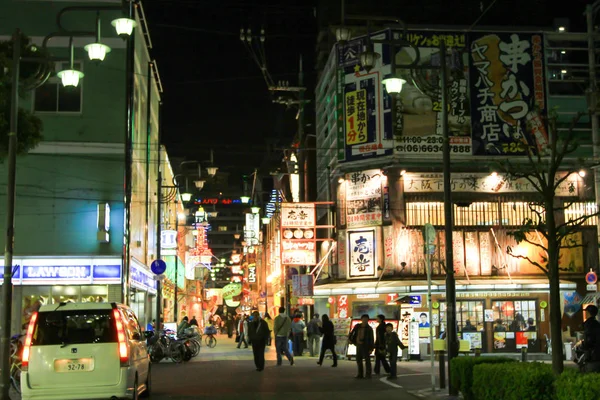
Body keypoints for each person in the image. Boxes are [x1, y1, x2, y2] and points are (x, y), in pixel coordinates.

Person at [349, 314, 374, 379]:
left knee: (367, 360)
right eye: (363, 319)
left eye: (366, 319)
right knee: (358, 359)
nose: (364, 320)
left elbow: (371, 338)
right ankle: (360, 374)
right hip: (358, 344)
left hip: (366, 345)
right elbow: (352, 333)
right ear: (361, 319)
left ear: (368, 320)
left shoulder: (369, 329)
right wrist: (351, 339)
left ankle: (368, 374)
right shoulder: (357, 326)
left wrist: (371, 348)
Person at [582, 304, 600, 372]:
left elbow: (589, 339)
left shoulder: (588, 324)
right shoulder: (597, 324)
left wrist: (583, 344)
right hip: (597, 353)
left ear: (588, 313)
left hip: (592, 354)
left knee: (590, 371)